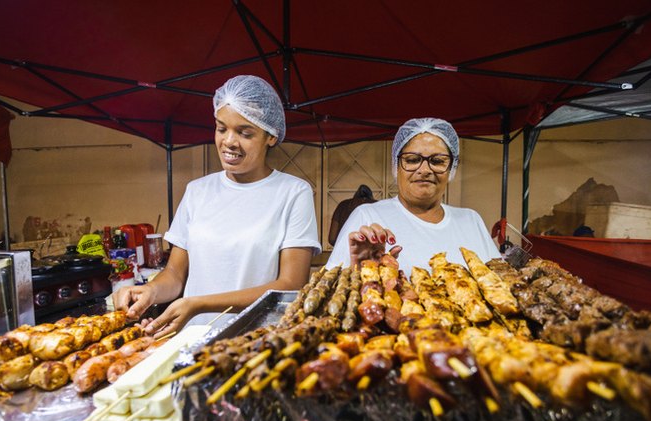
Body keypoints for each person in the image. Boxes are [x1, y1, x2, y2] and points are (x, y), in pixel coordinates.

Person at [114, 75, 321, 338]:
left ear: (271, 136)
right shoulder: (197, 191)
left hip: (256, 343)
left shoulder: (292, 192)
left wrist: (200, 303)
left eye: (245, 133)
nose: (229, 142)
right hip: (192, 339)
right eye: (221, 128)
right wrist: (151, 291)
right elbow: (176, 273)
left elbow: (290, 285)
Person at [326, 117, 500, 276]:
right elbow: (330, 292)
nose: (424, 170)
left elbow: (500, 282)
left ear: (451, 169)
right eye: (412, 160)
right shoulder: (367, 217)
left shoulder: (471, 220)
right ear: (396, 166)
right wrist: (359, 275)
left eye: (437, 161)